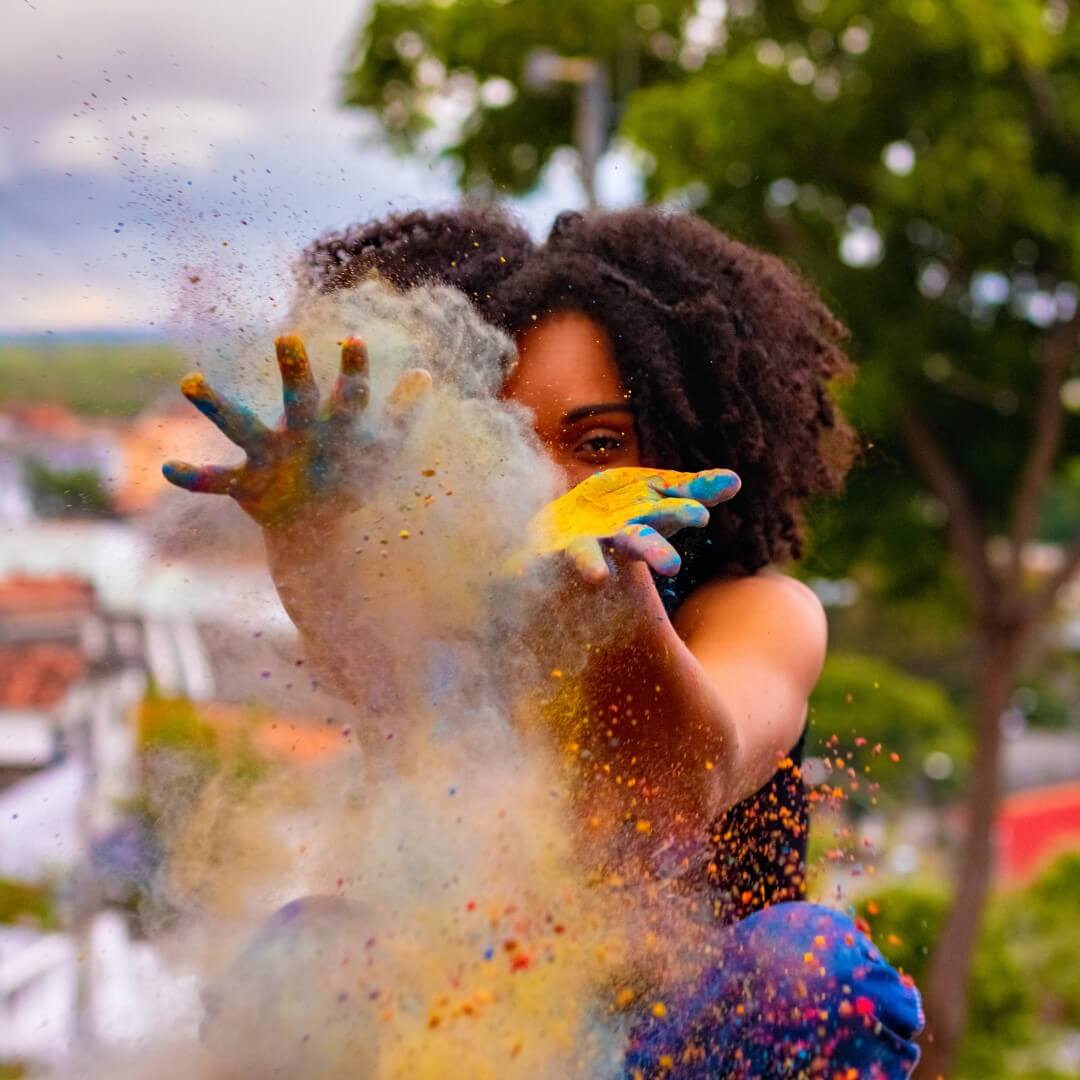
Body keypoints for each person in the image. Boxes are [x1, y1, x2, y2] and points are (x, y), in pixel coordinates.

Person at [164, 205, 923, 1077]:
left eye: (598, 442)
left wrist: (607, 591)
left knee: (806, 965)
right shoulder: (441, 618)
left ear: (677, 441)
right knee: (306, 954)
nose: (547, 479)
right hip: (476, 1040)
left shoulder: (758, 610)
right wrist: (307, 534)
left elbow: (685, 779)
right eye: (507, 440)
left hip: (687, 1052)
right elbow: (356, 654)